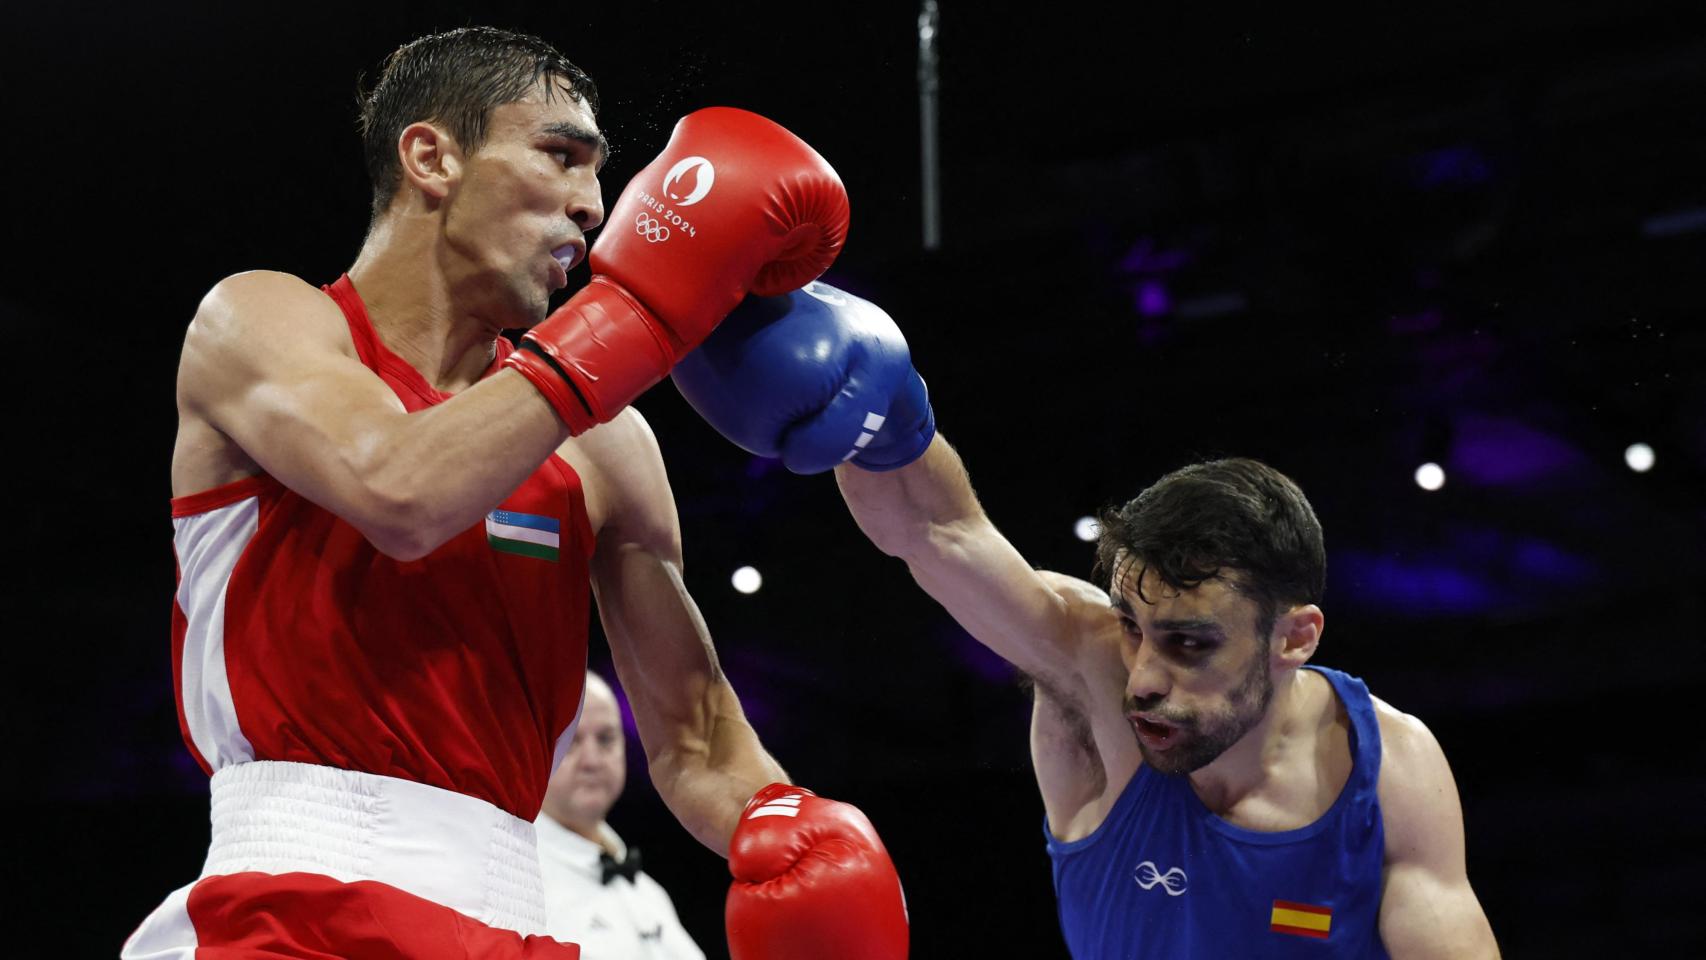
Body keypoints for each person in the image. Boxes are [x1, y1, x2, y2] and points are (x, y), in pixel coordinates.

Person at [125, 27, 907, 960]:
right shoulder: (265, 319)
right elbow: (400, 489)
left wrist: (783, 823)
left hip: (515, 915)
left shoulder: (608, 444)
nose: (592, 206)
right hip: (290, 907)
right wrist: (638, 317)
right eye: (561, 155)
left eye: (601, 174)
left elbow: (696, 740)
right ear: (433, 157)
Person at [672, 282, 1503, 958]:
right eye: (1136, 626)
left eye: (1190, 643)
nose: (1142, 676)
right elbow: (937, 531)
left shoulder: (1385, 765)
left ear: (1296, 637)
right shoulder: (1090, 667)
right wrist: (880, 408)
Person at [536, 672, 705, 959]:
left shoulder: (650, 893)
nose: (592, 760)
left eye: (605, 739)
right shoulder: (517, 880)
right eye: (570, 741)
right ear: (535, 750)